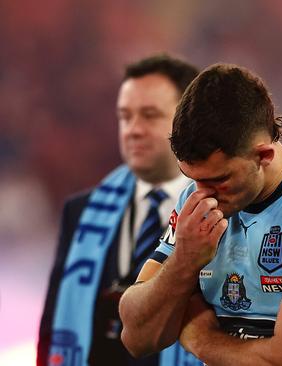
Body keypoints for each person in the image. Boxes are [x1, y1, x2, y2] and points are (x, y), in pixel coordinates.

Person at [118, 63, 282, 366]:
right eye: (192, 177)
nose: (204, 193)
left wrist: (201, 339)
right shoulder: (197, 199)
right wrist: (184, 262)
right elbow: (136, 336)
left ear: (263, 155)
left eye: (219, 179)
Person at [38, 54, 204, 366]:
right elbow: (50, 335)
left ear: (191, 122)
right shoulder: (80, 211)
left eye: (150, 115)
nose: (133, 130)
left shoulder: (227, 214)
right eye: (125, 117)